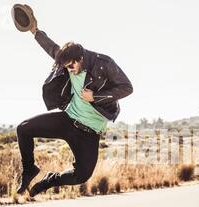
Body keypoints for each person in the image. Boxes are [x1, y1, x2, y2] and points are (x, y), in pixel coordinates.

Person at [16, 10, 133, 197]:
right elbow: (51, 48)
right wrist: (35, 31)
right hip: (68, 120)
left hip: (90, 132)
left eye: (71, 66)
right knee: (23, 129)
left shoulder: (103, 63)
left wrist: (96, 97)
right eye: (66, 67)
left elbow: (127, 87)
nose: (69, 70)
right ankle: (29, 169)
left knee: (81, 175)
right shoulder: (66, 60)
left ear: (80, 59)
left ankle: (50, 181)